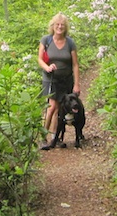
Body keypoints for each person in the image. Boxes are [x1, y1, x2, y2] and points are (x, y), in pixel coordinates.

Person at [37, 13, 80, 149]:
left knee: (60, 108)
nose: (60, 27)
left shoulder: (70, 42)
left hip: (66, 80)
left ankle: (54, 137)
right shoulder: (46, 40)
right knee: (52, 107)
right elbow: (39, 59)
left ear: (65, 27)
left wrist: (77, 84)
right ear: (53, 26)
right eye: (57, 24)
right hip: (51, 79)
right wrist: (47, 67)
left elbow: (75, 64)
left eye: (62, 25)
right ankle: (43, 137)